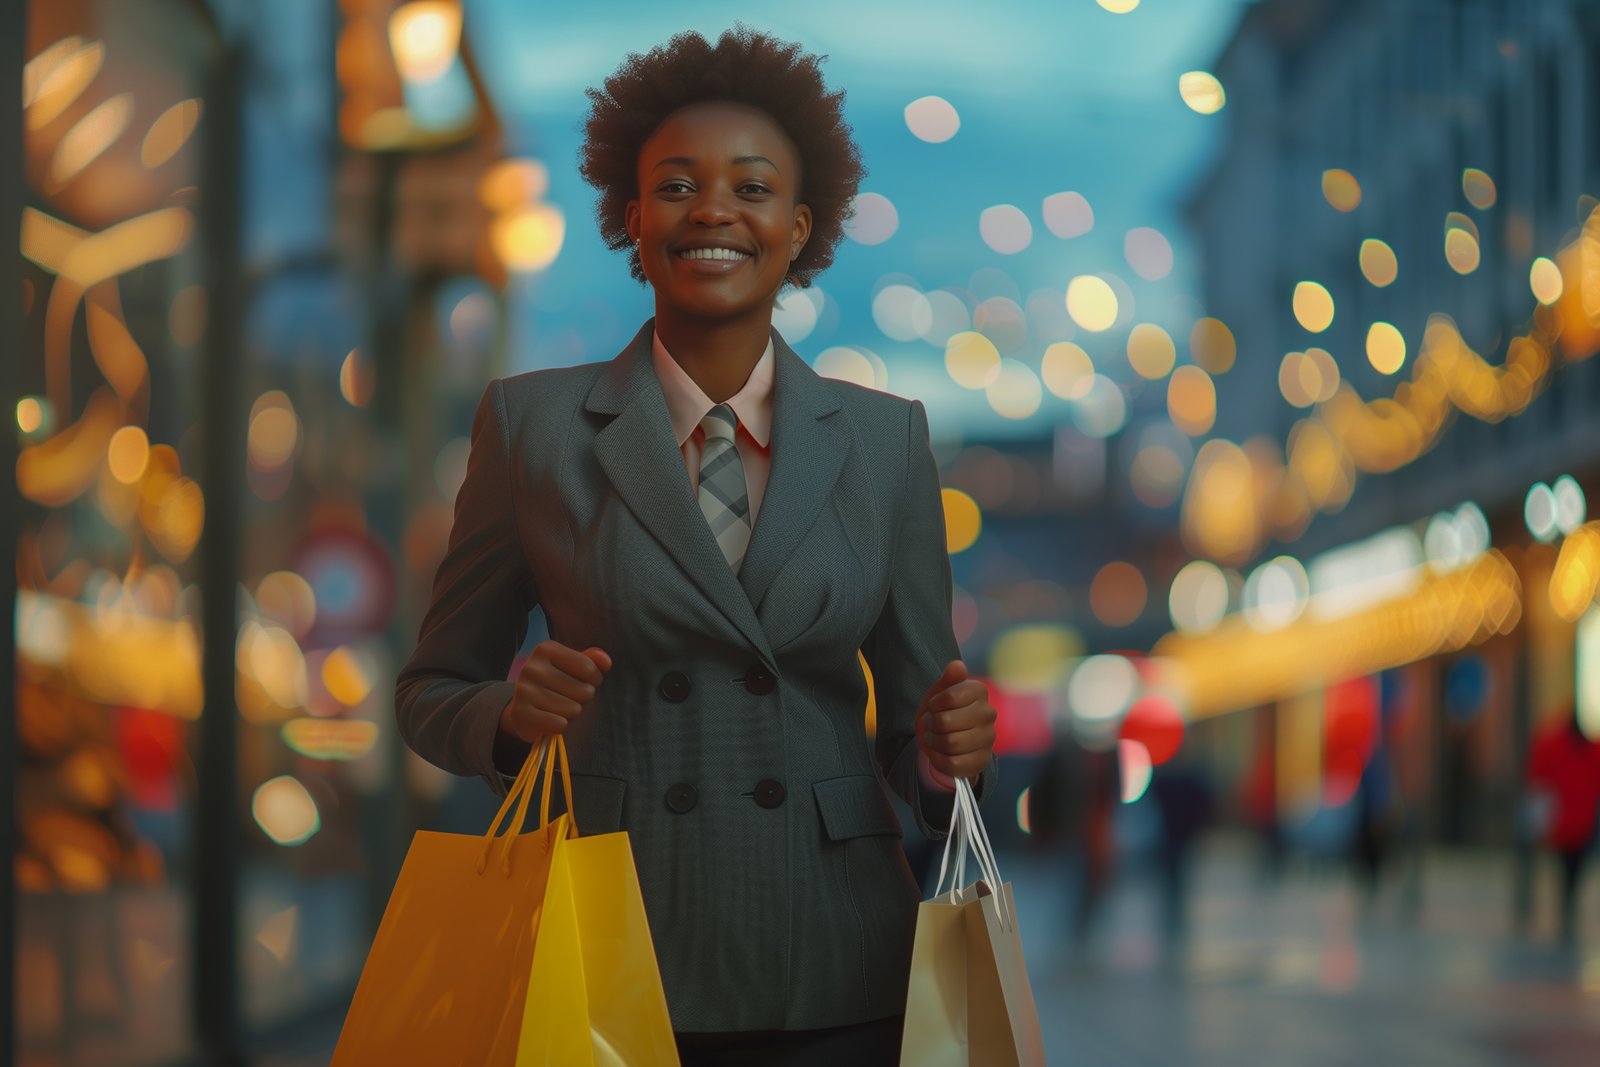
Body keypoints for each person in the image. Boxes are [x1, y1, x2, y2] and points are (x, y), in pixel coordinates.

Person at [394, 26, 998, 1064]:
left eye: (751, 187)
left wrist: (948, 761)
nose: (712, 209)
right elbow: (430, 688)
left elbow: (914, 732)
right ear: (631, 217)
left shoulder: (885, 441)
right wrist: (508, 716)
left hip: (834, 953)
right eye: (676, 185)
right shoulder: (532, 427)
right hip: (613, 947)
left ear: (799, 226)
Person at [1526, 708, 1600, 942]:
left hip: (1578, 823)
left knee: (1571, 870)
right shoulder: (1559, 746)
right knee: (1569, 870)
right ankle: (1567, 907)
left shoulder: (1587, 750)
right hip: (1569, 823)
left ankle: (1567, 907)